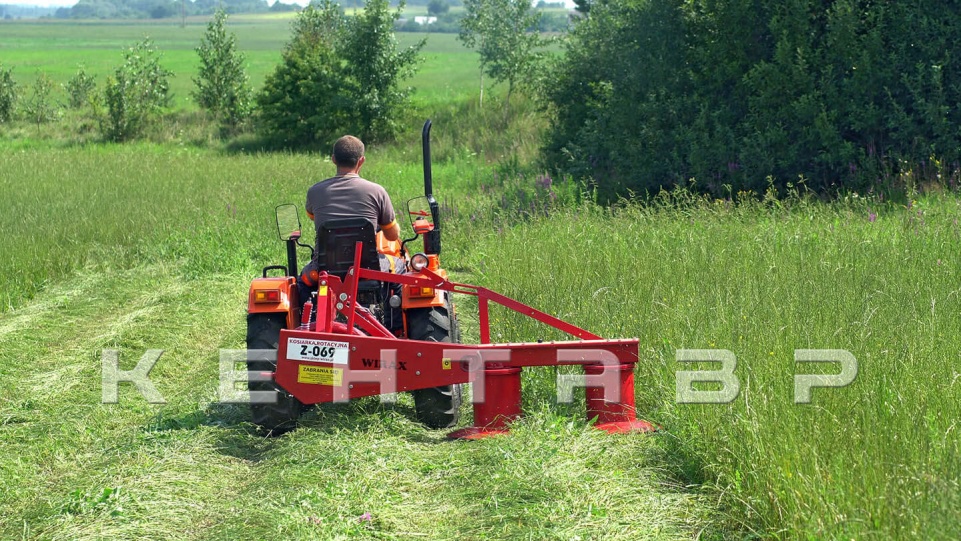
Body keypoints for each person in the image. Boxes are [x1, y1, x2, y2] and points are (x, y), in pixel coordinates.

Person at [297, 135, 402, 306]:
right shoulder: (377, 191)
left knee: (302, 283)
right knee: (399, 269)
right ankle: (396, 324)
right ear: (361, 161)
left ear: (333, 160)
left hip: (323, 269)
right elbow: (391, 236)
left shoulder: (315, 192)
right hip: (367, 269)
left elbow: (312, 217)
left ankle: (304, 321)